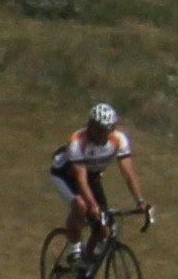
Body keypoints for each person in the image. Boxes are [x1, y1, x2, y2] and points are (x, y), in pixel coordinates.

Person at [49, 101, 142, 262]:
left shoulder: (118, 140)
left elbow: (129, 174)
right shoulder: (78, 141)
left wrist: (140, 202)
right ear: (90, 125)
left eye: (107, 130)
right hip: (64, 175)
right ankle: (73, 250)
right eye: (99, 130)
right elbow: (81, 179)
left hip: (92, 177)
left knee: (102, 230)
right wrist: (93, 207)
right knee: (81, 205)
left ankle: (86, 273)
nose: (103, 135)